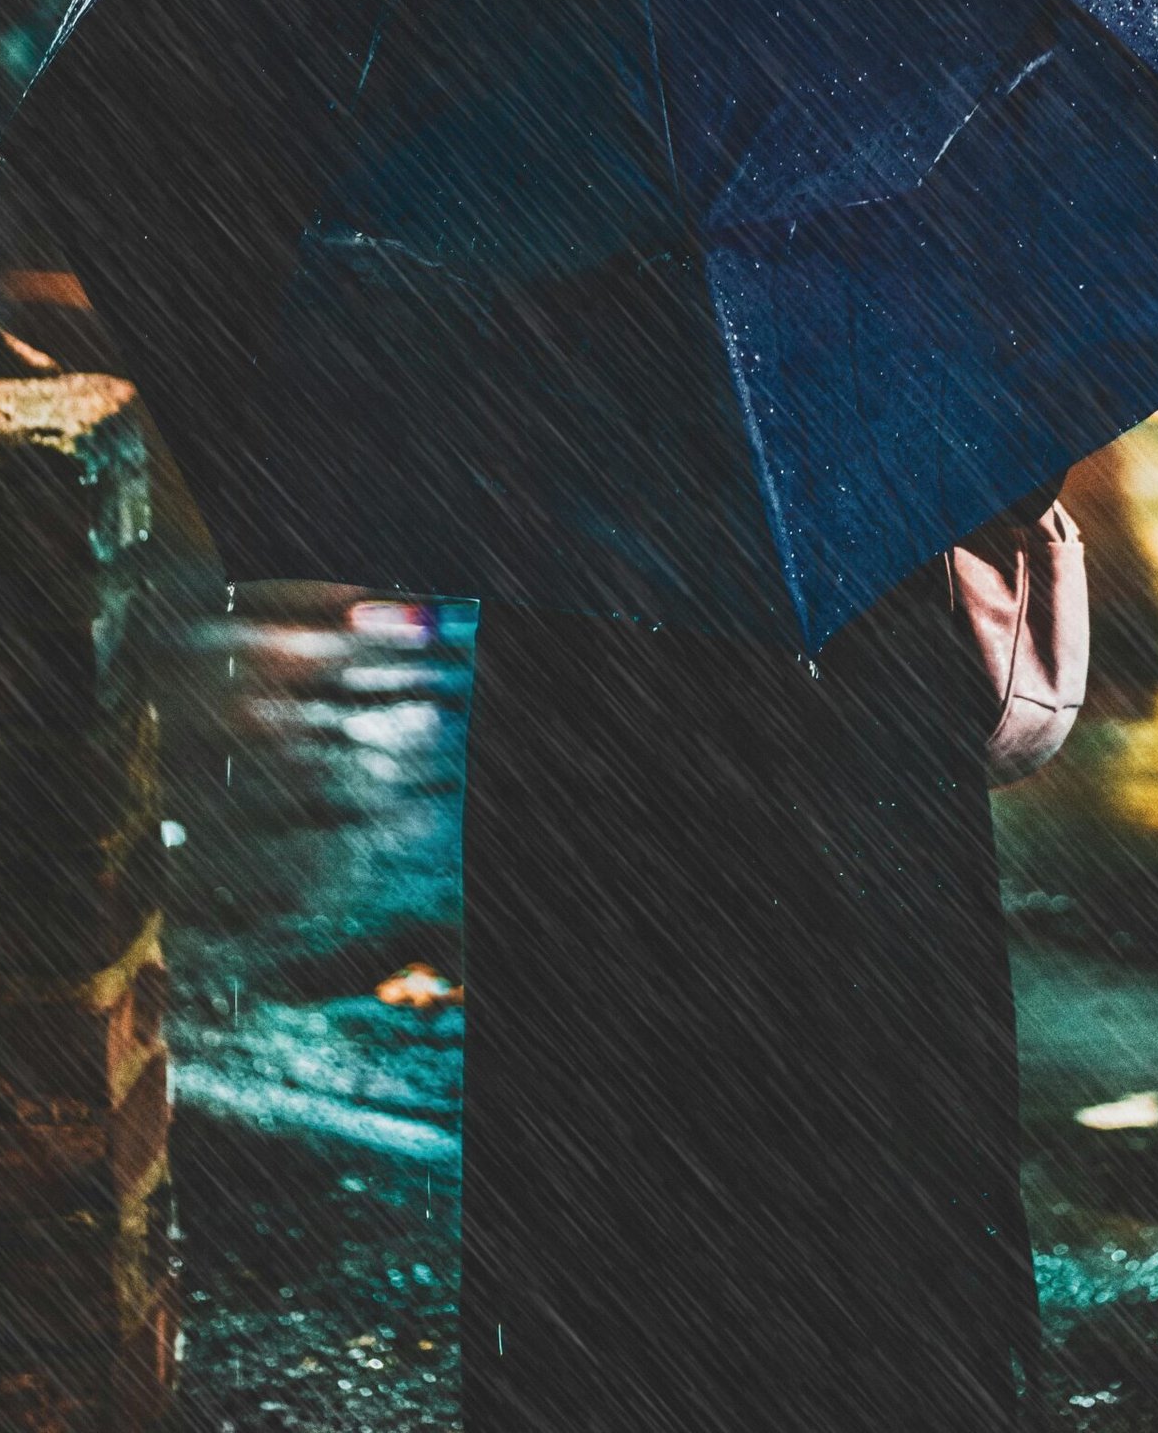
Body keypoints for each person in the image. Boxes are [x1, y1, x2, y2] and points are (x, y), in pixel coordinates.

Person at [463, 483, 1085, 1433]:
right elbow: (1007, 455)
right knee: (869, 1138)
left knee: (611, 1145)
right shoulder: (854, 375)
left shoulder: (553, 406)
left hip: (590, 700)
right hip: (842, 712)